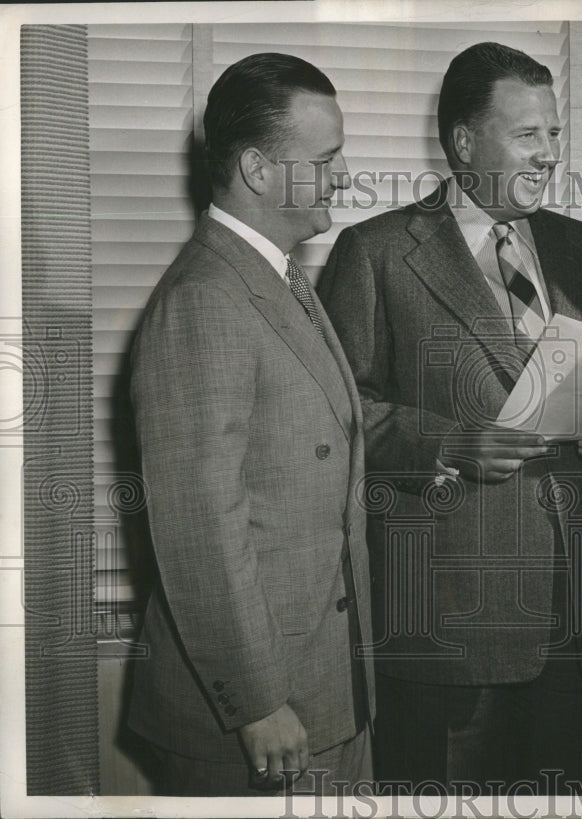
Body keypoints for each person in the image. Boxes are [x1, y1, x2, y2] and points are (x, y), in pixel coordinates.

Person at [317, 42, 582, 794]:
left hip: (577, 621)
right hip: (446, 627)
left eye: (555, 135)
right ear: (465, 144)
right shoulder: (373, 253)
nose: (549, 155)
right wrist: (447, 442)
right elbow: (340, 420)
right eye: (528, 135)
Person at [127, 52, 374, 795]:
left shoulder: (277, 277)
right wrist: (258, 700)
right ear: (259, 170)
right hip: (265, 719)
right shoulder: (205, 299)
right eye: (325, 158)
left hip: (325, 689)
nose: (343, 176)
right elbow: (201, 522)